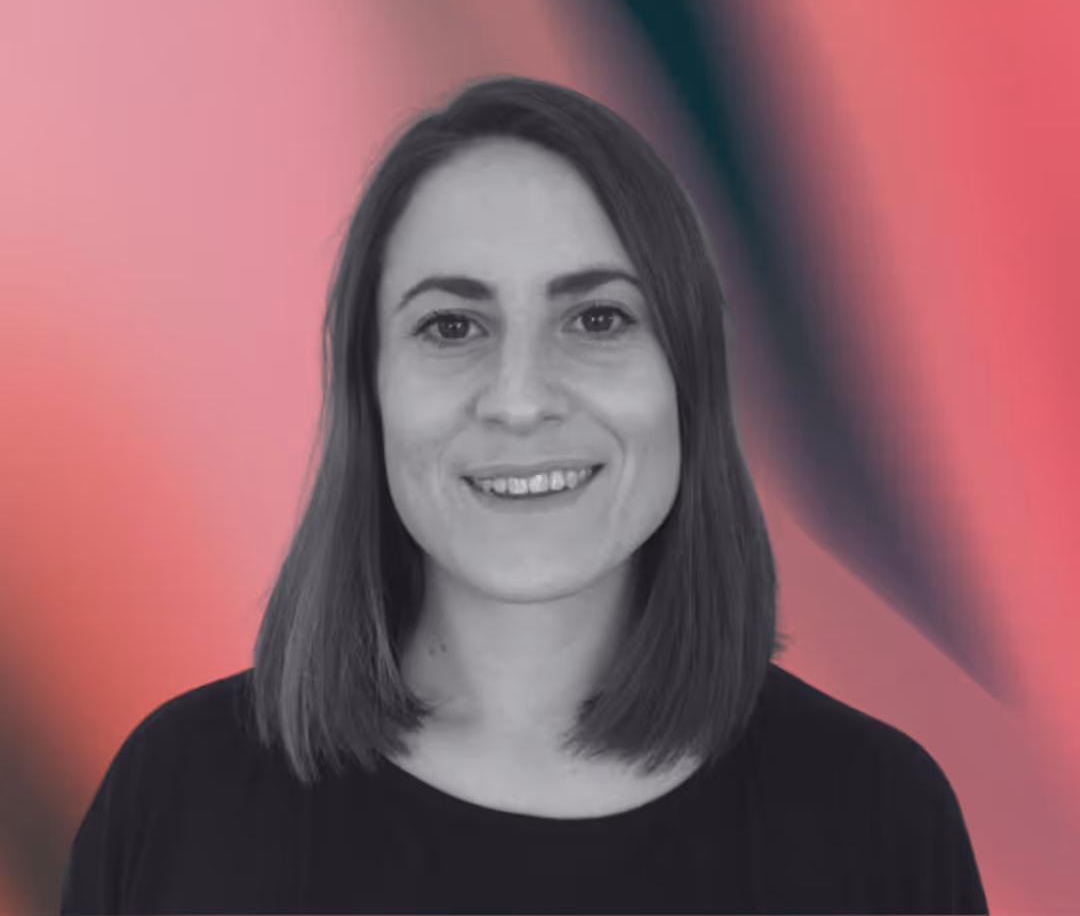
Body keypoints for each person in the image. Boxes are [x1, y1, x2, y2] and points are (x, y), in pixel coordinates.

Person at [60, 75, 988, 913]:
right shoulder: (179, 795)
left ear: (689, 380)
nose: (519, 399)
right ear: (368, 391)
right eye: (452, 325)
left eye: (597, 317)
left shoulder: (878, 819)